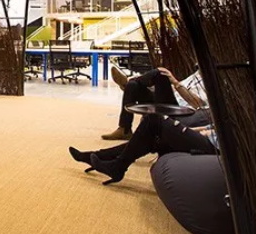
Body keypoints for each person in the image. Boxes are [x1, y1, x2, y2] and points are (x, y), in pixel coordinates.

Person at [69, 113, 218, 185]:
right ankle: (98, 157)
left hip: (213, 146)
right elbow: (210, 128)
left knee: (153, 119)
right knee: (148, 139)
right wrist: (188, 131)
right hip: (207, 137)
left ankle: (116, 166)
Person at [101, 65, 208, 141]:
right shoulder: (196, 75)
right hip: (169, 100)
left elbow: (198, 104)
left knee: (160, 73)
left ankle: (130, 81)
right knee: (133, 86)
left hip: (180, 111)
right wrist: (153, 88)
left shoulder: (210, 82)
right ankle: (124, 130)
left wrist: (175, 82)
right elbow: (175, 90)